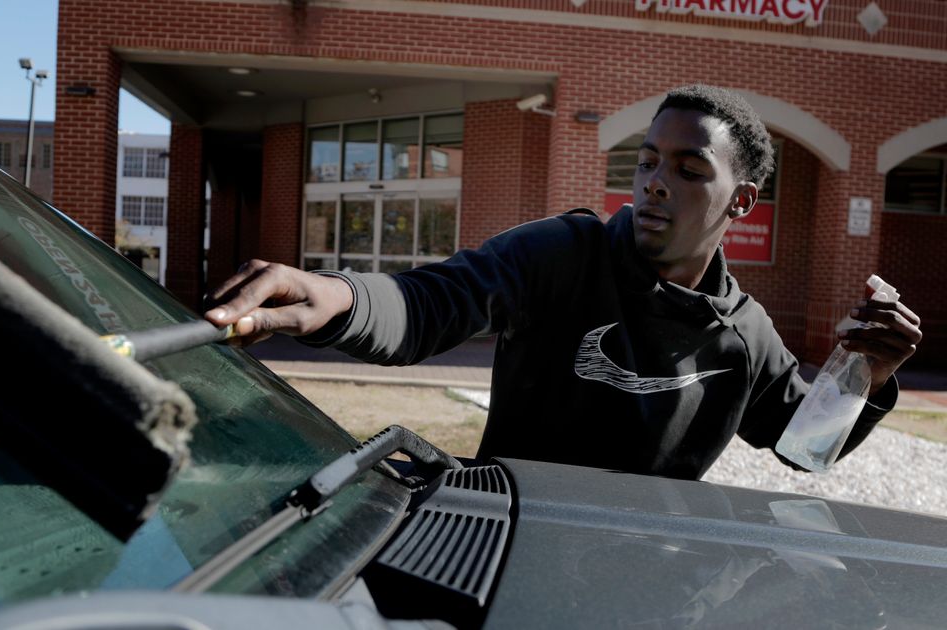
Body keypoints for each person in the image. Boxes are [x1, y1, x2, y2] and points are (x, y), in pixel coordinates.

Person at [203, 84, 923, 480]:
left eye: (689, 170)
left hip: (646, 581)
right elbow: (430, 304)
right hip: (506, 542)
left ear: (741, 201)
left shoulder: (743, 334)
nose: (654, 184)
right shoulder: (561, 253)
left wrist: (869, 371)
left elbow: (804, 446)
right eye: (647, 162)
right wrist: (341, 298)